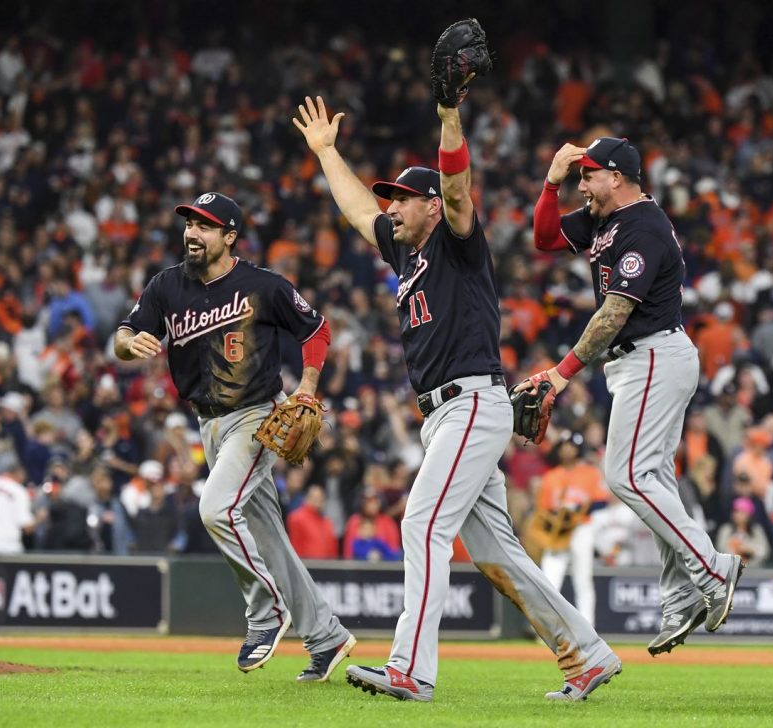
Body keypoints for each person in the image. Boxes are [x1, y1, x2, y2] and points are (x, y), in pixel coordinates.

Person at [294, 95, 621, 702]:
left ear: (429, 207)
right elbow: (358, 209)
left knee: (421, 524)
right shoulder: (406, 252)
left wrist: (449, 115)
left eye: (402, 199)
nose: (390, 207)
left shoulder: (456, 242)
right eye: (390, 198)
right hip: (445, 413)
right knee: (500, 554)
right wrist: (326, 152)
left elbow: (459, 192)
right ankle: (587, 654)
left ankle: (410, 669)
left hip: (470, 404)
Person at [113, 190, 354, 682]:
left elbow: (317, 330)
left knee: (215, 508)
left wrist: (307, 388)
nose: (191, 233)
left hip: (256, 417)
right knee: (268, 539)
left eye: (203, 226)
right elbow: (123, 333)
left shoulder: (261, 284)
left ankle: (265, 613)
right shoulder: (165, 286)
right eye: (188, 224)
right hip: (208, 423)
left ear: (229, 236)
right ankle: (326, 636)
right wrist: (126, 343)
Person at [527, 137, 745, 657]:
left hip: (652, 353)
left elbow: (613, 313)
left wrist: (561, 374)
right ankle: (680, 596)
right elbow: (544, 238)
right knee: (654, 479)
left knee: (625, 476)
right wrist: (550, 182)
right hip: (640, 361)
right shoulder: (605, 219)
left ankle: (715, 568)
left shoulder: (643, 225)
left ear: (617, 177)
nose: (582, 184)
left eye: (589, 175)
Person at [531, 432, 607, 628]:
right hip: (558, 532)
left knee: (583, 580)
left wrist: (576, 510)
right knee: (549, 580)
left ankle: (588, 627)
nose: (567, 449)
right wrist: (555, 518)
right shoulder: (551, 476)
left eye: (571, 446)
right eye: (564, 445)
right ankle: (547, 628)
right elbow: (543, 510)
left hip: (581, 529)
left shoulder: (590, 473)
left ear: (578, 450)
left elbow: (601, 501)